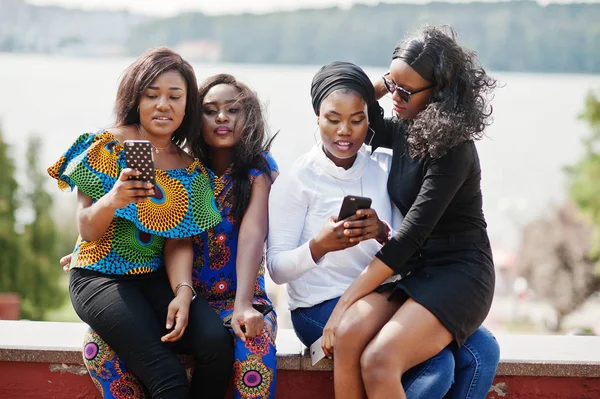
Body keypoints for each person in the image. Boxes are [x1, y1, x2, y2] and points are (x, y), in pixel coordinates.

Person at [267, 60, 499, 398]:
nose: (345, 131)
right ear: (317, 117)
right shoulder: (297, 179)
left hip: (384, 292)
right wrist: (318, 246)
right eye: (332, 119)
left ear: (369, 120)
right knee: (438, 367)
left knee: (482, 351)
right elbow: (276, 268)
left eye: (357, 119)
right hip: (320, 306)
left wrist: (380, 231)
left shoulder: (383, 165)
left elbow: (403, 242)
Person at [61, 73, 279, 399]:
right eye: (152, 95)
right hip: (113, 280)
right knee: (160, 373)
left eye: (174, 96)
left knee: (219, 344)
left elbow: (181, 237)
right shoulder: (106, 147)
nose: (163, 104)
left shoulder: (193, 168)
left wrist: (186, 291)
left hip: (164, 283)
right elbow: (94, 228)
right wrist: (112, 204)